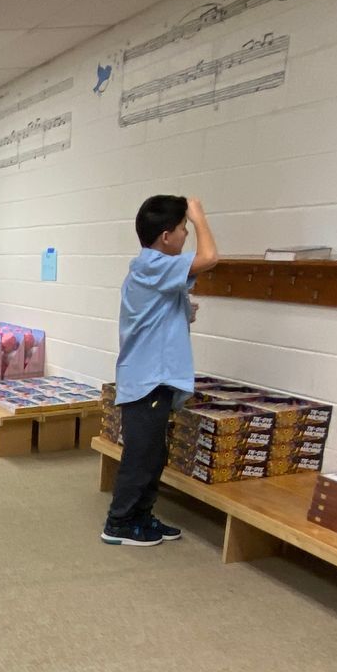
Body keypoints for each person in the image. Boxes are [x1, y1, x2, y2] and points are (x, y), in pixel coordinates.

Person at [102, 195, 218, 548]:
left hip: (156, 378)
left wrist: (184, 312)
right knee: (142, 456)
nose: (186, 234)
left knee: (154, 454)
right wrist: (200, 218)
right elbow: (210, 258)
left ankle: (141, 516)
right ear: (166, 236)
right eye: (183, 229)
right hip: (148, 380)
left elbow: (160, 309)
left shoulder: (154, 267)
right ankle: (119, 523)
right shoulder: (154, 264)